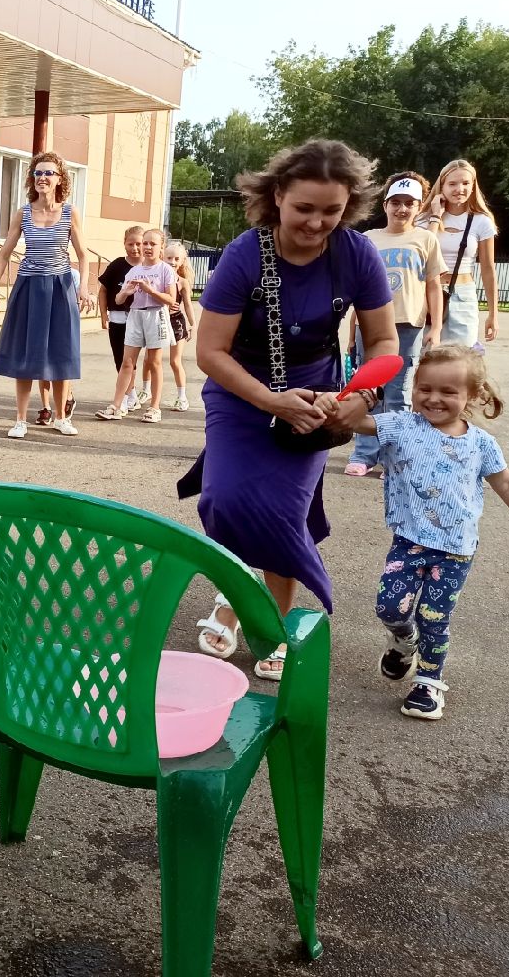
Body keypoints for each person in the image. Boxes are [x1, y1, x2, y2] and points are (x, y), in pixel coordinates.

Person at [180, 139, 397, 679]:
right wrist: (269, 399)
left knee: (281, 511)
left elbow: (383, 341)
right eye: (304, 208)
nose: (317, 223)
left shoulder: (357, 254)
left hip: (319, 397)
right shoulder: (243, 254)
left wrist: (360, 397)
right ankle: (236, 595)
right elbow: (210, 352)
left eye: (332, 210)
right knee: (225, 502)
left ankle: (270, 620)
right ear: (277, 195)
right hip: (240, 391)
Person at [338, 345, 509, 718]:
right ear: (414, 387)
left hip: (455, 550)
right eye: (425, 388)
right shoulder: (401, 425)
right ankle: (404, 639)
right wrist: (354, 398)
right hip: (408, 543)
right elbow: (354, 422)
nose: (434, 398)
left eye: (448, 391)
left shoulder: (481, 444)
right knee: (389, 607)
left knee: (434, 616)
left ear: (472, 395)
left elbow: (508, 485)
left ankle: (428, 682)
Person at [344, 173, 445, 476]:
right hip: (371, 325)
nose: (402, 209)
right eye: (396, 202)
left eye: (409, 203)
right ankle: (364, 454)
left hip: (408, 325)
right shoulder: (369, 239)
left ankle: (395, 455)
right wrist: (352, 332)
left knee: (398, 394)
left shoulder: (426, 239)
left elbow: (434, 286)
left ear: (418, 207)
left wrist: (436, 327)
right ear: (385, 205)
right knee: (367, 390)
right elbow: (357, 291)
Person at [0, 152, 94, 438]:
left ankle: (61, 418)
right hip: (29, 288)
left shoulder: (70, 213)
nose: (42, 178)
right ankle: (20, 420)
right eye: (37, 173)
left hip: (61, 287)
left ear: (60, 179)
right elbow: (4, 254)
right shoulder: (23, 213)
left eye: (48, 173)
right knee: (26, 354)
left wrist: (83, 287)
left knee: (61, 353)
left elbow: (83, 255)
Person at [94, 228, 176, 424]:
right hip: (135, 315)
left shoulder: (165, 269)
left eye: (152, 244)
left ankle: (154, 408)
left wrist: (150, 290)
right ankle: (116, 405)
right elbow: (118, 298)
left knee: (154, 362)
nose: (147, 247)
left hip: (155, 315)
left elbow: (171, 299)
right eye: (145, 243)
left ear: (161, 247)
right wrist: (126, 292)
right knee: (127, 362)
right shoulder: (134, 271)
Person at [419, 159, 498, 347]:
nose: (459, 189)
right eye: (452, 184)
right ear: (442, 186)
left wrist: (493, 314)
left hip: (463, 296)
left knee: (462, 355)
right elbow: (423, 254)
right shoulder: (422, 219)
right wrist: (436, 216)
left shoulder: (481, 222)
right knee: (425, 355)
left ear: (473, 186)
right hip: (428, 294)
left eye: (465, 183)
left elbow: (488, 269)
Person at [94, 225, 144, 417]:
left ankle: (129, 396)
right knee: (120, 359)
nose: (135, 248)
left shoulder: (149, 266)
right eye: (130, 244)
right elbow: (103, 291)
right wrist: (103, 315)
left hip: (140, 318)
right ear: (124, 244)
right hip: (118, 317)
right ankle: (129, 395)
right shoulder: (116, 265)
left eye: (139, 244)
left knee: (131, 360)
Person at [160, 239, 197, 411]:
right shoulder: (156, 277)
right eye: (169, 258)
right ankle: (146, 390)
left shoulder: (182, 282)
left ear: (182, 261)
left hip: (176, 322)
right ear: (162, 257)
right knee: (150, 360)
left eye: (176, 259)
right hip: (158, 321)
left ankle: (182, 397)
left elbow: (188, 304)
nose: (172, 262)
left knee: (175, 361)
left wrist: (193, 325)